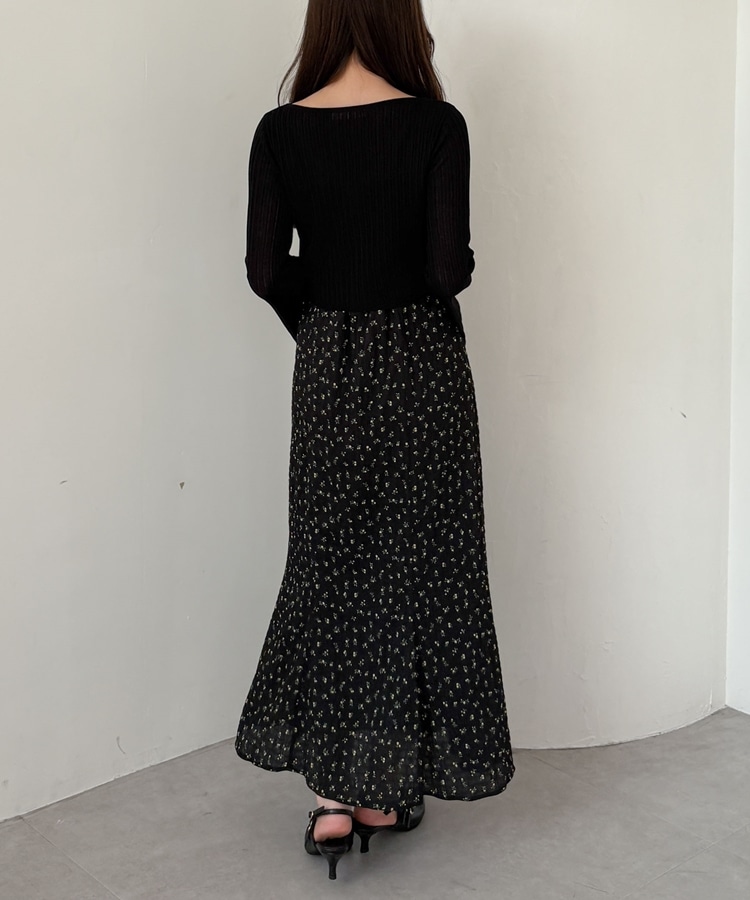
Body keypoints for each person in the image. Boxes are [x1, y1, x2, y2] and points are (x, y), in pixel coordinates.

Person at [234, 0, 515, 880]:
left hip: (328, 373)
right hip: (424, 372)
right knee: (419, 570)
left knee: (329, 564)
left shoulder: (280, 132)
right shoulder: (436, 125)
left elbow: (265, 271)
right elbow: (446, 269)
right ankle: (384, 792)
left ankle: (331, 797)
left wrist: (327, 321)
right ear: (401, 18)